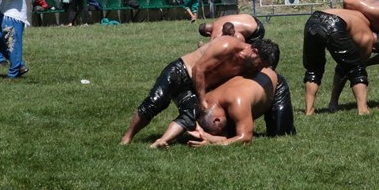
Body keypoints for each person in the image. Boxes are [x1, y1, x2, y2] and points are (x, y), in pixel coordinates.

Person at [120, 35, 280, 144]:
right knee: (155, 102)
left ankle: (162, 141)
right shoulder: (228, 46)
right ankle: (127, 138)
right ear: (254, 52)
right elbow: (198, 69)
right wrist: (202, 99)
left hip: (197, 86)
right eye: (260, 64)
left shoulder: (247, 67)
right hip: (181, 72)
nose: (259, 69)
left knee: (191, 115)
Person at [151, 65, 295, 148]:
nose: (222, 133)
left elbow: (245, 139)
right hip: (248, 85)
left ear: (216, 120)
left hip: (273, 83)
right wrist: (164, 139)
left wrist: (211, 142)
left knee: (280, 135)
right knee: (233, 131)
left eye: (218, 131)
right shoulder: (204, 102)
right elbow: (185, 118)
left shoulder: (237, 102)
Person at [301, 7, 379, 115]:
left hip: (314, 19)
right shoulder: (368, 38)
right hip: (335, 24)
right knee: (357, 69)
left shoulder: (361, 16)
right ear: (374, 47)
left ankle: (309, 110)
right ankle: (363, 109)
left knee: (313, 68)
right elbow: (360, 63)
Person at [198, 13, 265, 43]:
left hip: (256, 31)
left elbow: (211, 48)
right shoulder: (220, 18)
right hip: (253, 19)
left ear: (208, 33)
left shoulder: (215, 32)